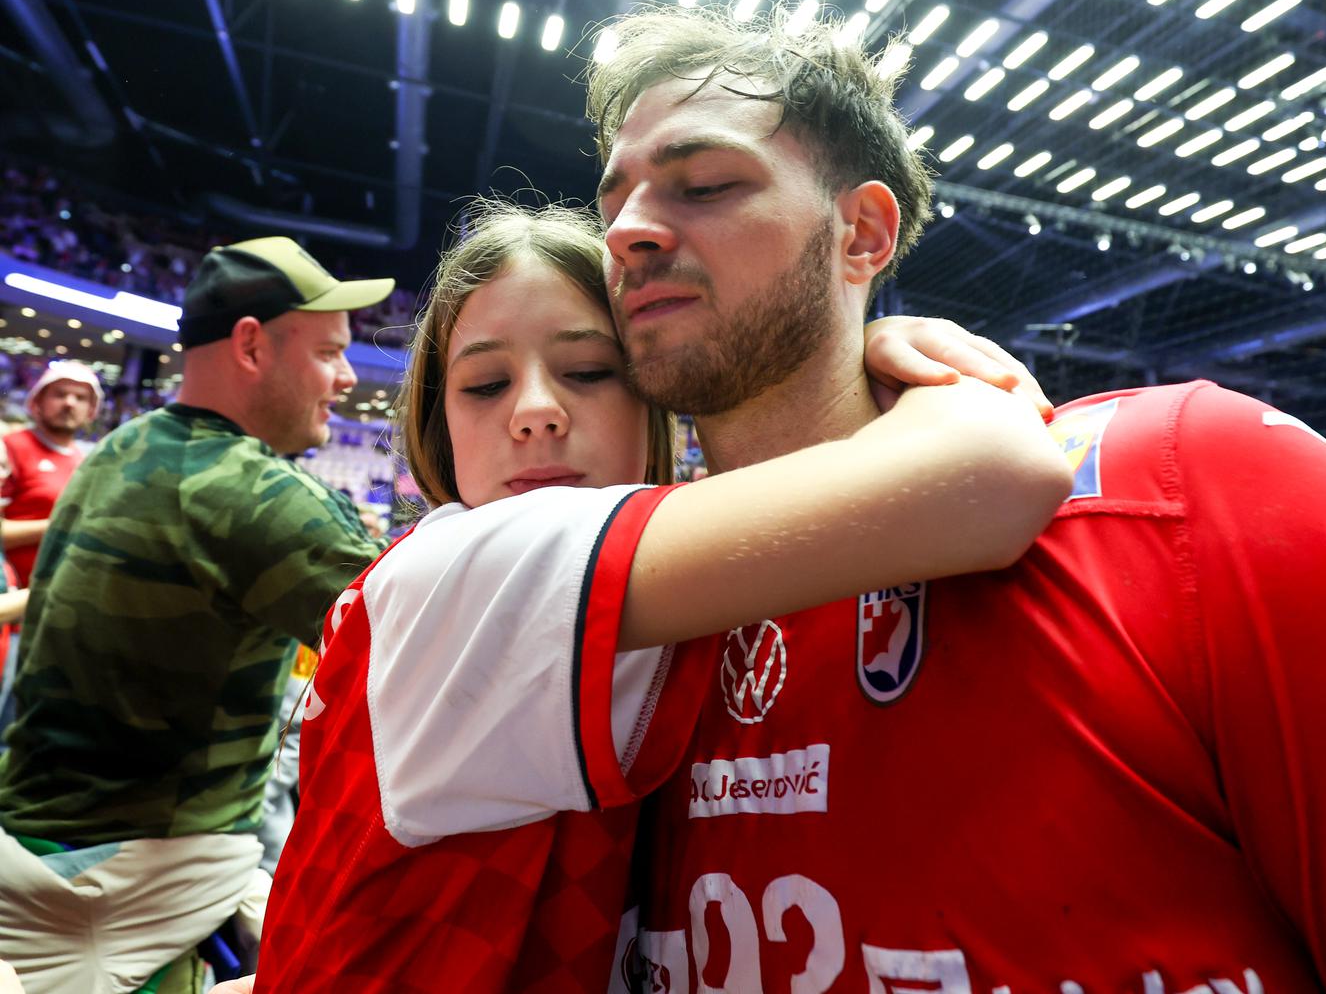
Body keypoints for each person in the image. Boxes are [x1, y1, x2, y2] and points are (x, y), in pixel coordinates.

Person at [571, 5, 1326, 990]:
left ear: (861, 235)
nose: (629, 230)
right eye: (612, 199)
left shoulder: (1202, 486)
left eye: (702, 183)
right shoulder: (601, 626)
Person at [246, 199, 1068, 991]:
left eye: (588, 371)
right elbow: (993, 476)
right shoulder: (474, 570)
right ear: (439, 426)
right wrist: (886, 355)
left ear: (657, 405)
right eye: (485, 386)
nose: (535, 411)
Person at [0, 236, 393, 993]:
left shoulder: (125, 444)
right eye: (329, 354)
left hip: (48, 846)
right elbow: (459, 644)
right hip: (124, 896)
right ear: (251, 345)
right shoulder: (244, 488)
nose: (346, 379)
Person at [0, 359, 102, 587]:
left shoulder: (86, 459)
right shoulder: (9, 448)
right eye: (59, 394)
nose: (69, 403)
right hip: (11, 598)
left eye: (80, 397)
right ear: (38, 401)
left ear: (91, 410)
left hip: (57, 600)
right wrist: (60, 525)